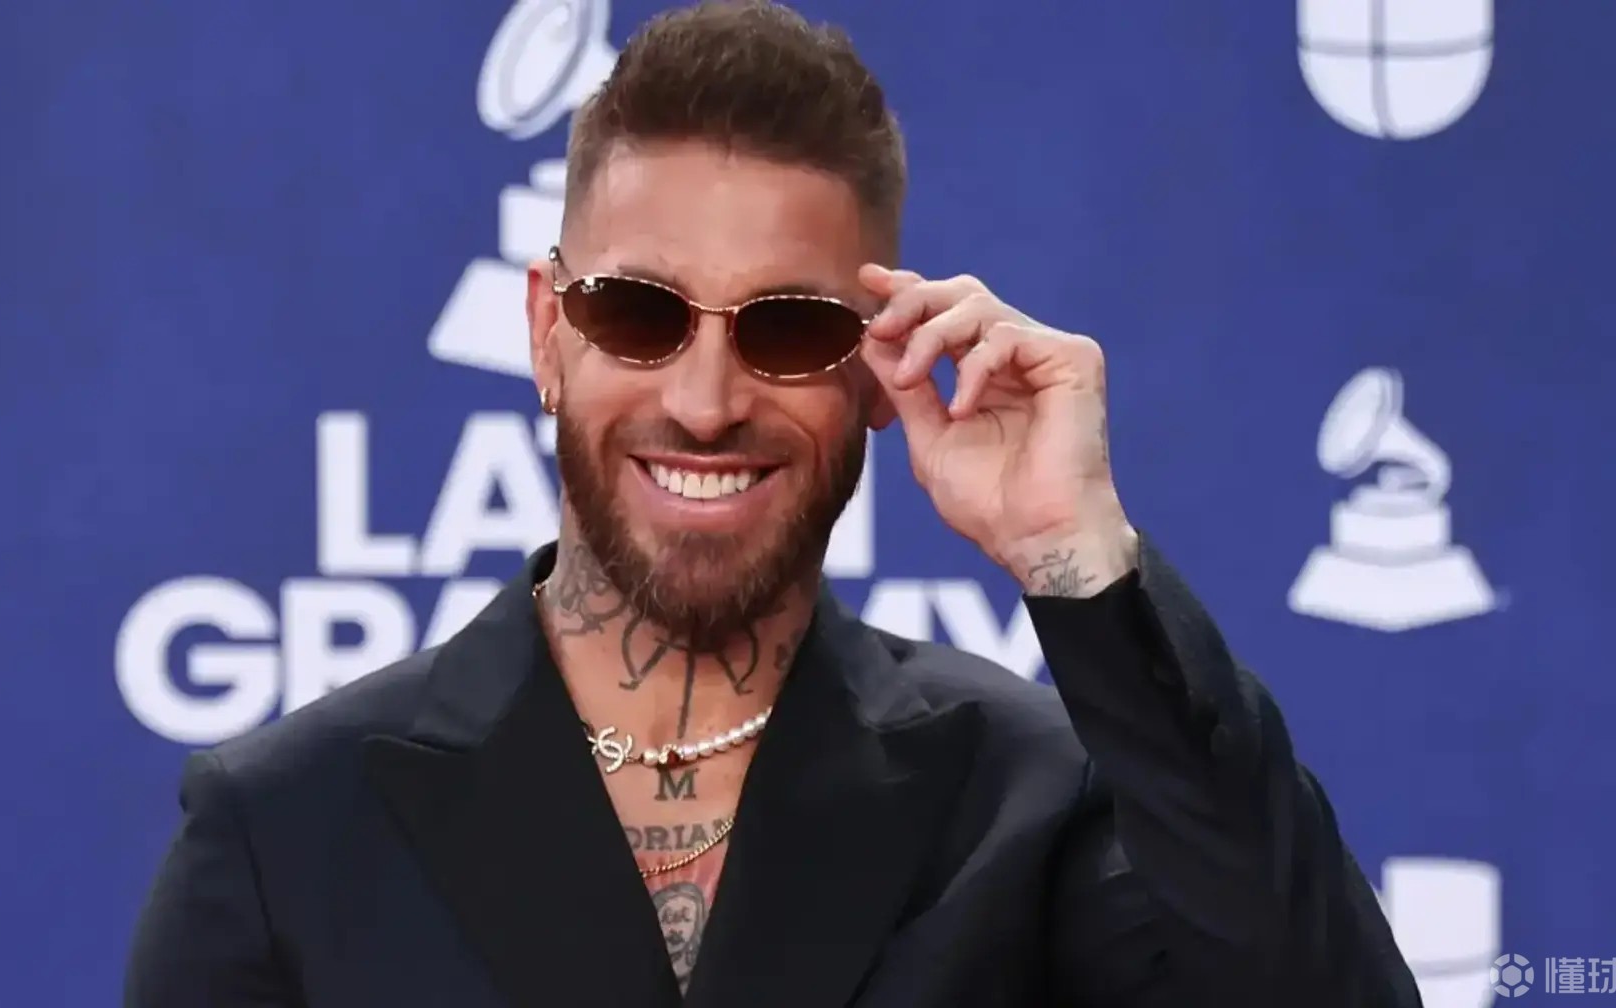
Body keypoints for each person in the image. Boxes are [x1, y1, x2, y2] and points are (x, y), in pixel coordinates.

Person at [125, 3, 1422, 1005]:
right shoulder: (287, 827)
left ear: (879, 361)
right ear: (546, 333)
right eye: (639, 313)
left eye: (790, 329)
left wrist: (1075, 557)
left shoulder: (1032, 806)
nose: (705, 401)